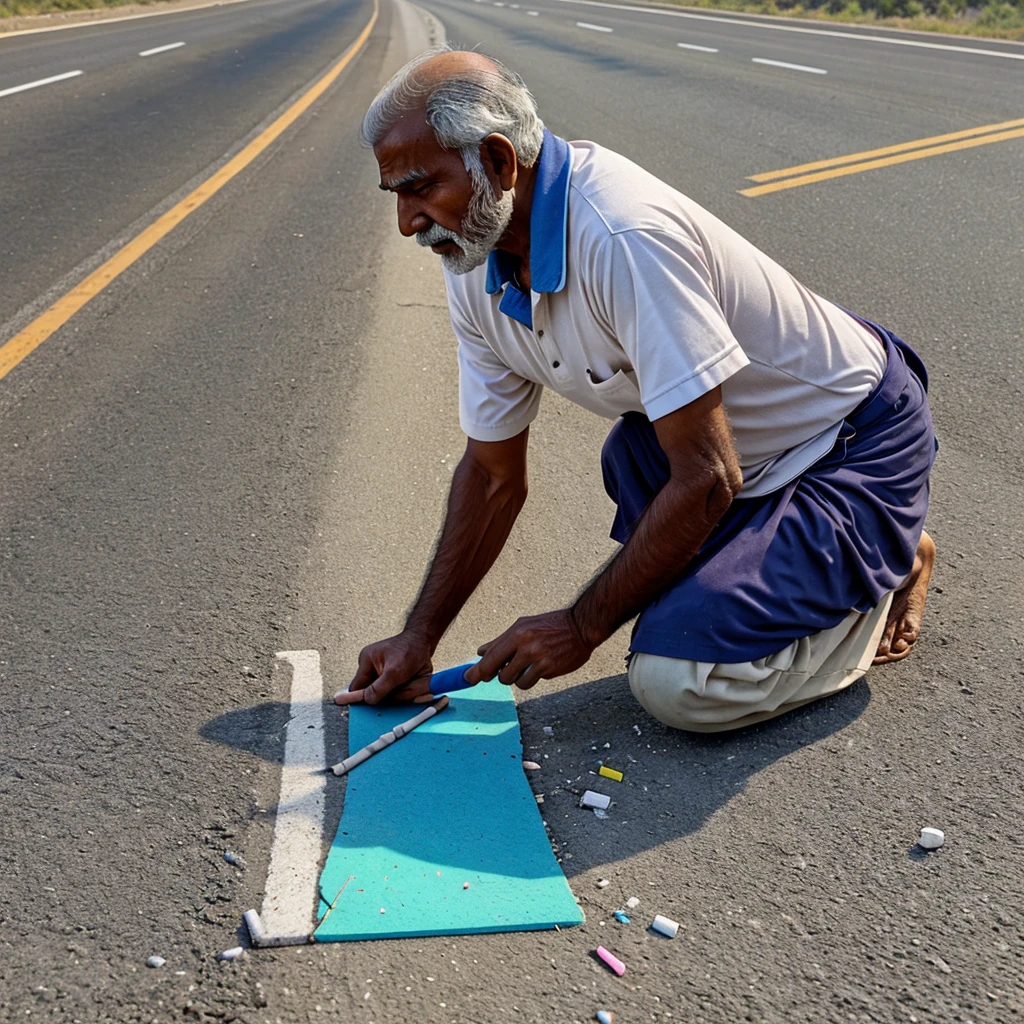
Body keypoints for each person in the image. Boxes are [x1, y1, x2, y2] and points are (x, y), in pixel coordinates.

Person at [335, 47, 937, 732]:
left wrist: (580, 625)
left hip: (847, 443)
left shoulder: (624, 235)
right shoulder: (477, 249)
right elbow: (493, 474)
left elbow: (708, 479)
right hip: (737, 457)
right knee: (638, 465)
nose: (409, 222)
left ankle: (877, 571)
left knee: (679, 682)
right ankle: (837, 557)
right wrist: (419, 636)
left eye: (420, 188)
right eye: (397, 196)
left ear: (499, 163)